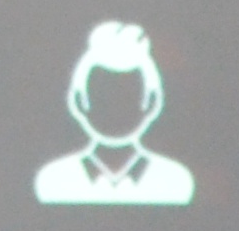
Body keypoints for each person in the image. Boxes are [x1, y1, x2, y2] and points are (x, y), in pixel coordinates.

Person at [30, 20, 194, 205]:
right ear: (79, 101)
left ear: (152, 103)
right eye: (103, 96)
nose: (115, 110)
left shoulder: (175, 181)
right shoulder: (53, 181)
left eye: (127, 97)